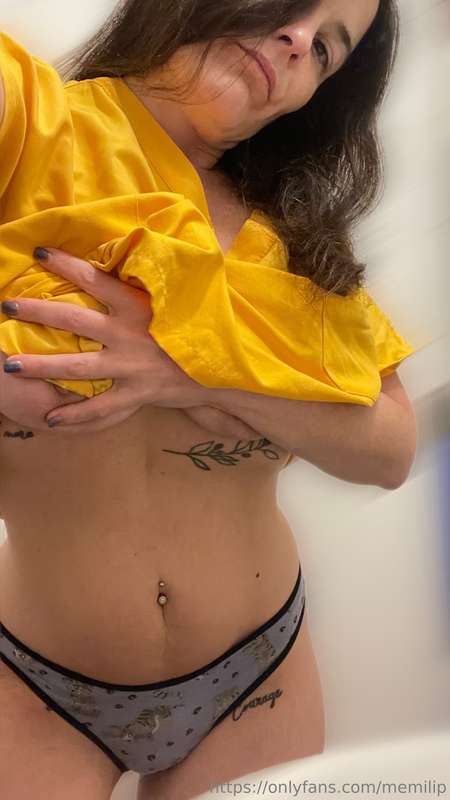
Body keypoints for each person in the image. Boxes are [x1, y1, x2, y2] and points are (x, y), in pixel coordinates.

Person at [0, 2, 417, 799]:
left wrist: (193, 375)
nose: (300, 40)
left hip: (257, 677)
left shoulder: (299, 240)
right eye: (291, 4)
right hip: (36, 682)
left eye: (328, 50)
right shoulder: (35, 124)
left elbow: (392, 449)